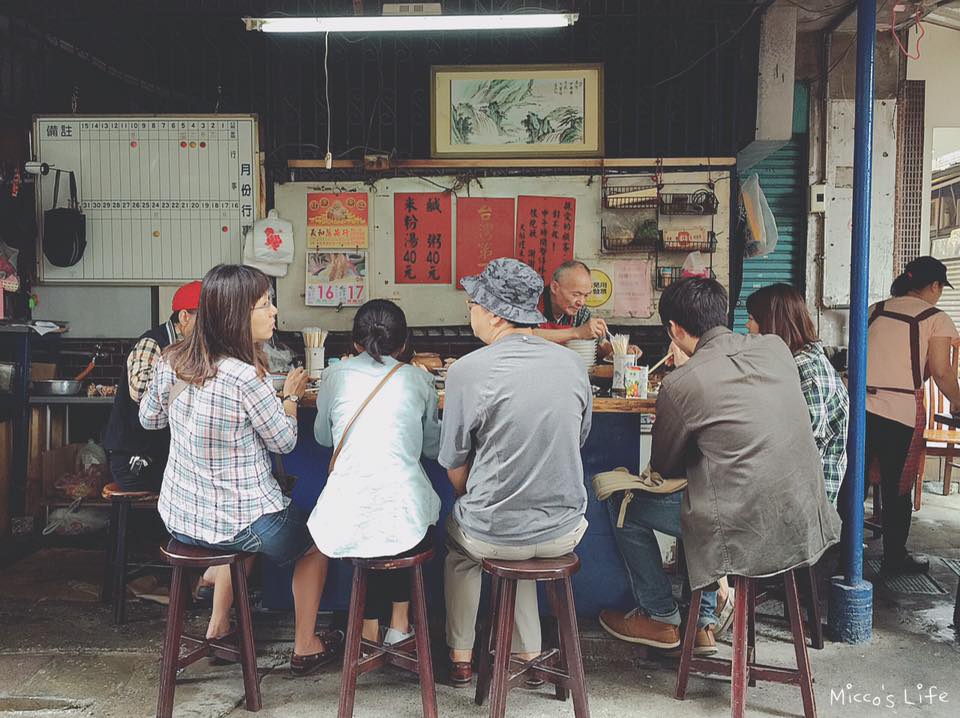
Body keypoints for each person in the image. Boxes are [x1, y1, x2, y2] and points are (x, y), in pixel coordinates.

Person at [599, 278, 840, 652]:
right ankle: (702, 624)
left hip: (740, 528)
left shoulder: (681, 383)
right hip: (804, 516)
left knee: (626, 505)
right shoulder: (776, 349)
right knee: (705, 489)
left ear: (674, 330)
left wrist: (683, 380)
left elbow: (664, 467)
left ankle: (660, 616)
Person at [140, 264, 340, 676]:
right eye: (264, 304)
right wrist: (288, 399)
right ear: (234, 314)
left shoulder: (172, 359)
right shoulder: (246, 377)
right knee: (314, 544)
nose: (274, 313)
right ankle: (306, 644)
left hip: (180, 519)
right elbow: (283, 442)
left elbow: (149, 421)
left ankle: (218, 624)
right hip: (240, 521)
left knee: (240, 533)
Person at [440, 257, 593, 687]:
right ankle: (528, 654)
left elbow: (455, 465)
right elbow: (577, 440)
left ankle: (461, 656)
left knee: (469, 547)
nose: (469, 310)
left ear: (491, 311)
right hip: (564, 530)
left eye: (472, 302)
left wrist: (486, 492)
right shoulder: (572, 366)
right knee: (523, 544)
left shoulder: (467, 371)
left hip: (497, 533)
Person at [308, 299, 441, 646]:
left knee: (371, 530)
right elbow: (431, 449)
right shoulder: (417, 380)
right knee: (400, 522)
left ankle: (367, 627)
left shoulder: (334, 375)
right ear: (403, 343)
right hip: (406, 520)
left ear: (355, 342)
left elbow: (323, 437)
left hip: (344, 517)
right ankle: (399, 623)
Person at [852, 256, 960, 575]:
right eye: (940, 288)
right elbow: (939, 371)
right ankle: (894, 557)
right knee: (898, 487)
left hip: (859, 407)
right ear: (933, 286)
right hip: (898, 412)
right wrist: (957, 400)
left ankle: (845, 550)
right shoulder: (937, 318)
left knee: (855, 484)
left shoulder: (876, 309)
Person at [746, 283, 850, 505]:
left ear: (772, 323)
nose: (747, 326)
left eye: (752, 319)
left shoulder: (804, 366)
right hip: (794, 484)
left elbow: (807, 437)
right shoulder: (794, 359)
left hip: (809, 493)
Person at [103, 280, 200, 491]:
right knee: (195, 485)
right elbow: (141, 394)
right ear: (184, 316)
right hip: (136, 459)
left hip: (162, 453)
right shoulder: (153, 343)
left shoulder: (191, 349)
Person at [533, 260, 641, 358]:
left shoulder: (581, 313)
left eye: (585, 296)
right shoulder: (530, 305)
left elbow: (600, 345)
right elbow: (523, 335)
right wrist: (576, 332)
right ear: (555, 287)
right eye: (576, 294)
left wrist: (621, 349)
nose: (581, 302)